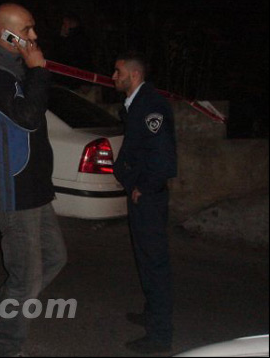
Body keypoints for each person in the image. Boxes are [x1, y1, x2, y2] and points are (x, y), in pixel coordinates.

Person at [0, 3, 67, 357]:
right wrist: (38, 71)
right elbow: (29, 117)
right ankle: (4, 347)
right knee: (27, 278)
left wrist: (33, 71)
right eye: (26, 30)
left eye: (33, 28)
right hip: (11, 186)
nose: (34, 36)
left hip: (32, 185)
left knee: (54, 256)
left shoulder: (13, 68)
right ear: (6, 35)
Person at [111, 51, 177, 354]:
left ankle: (160, 335)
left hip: (148, 198)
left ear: (134, 74)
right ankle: (152, 314)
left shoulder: (151, 105)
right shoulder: (137, 104)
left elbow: (163, 159)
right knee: (146, 260)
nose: (113, 77)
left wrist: (144, 187)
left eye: (118, 71)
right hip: (142, 195)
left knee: (154, 264)